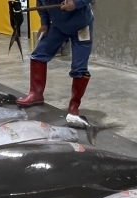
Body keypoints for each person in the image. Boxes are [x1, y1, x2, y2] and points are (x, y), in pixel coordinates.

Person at [17, 0, 94, 128]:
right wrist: (45, 23)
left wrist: (76, 3)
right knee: (38, 55)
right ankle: (36, 95)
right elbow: (41, 5)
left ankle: (74, 105)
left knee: (79, 68)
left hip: (81, 26)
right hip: (58, 26)